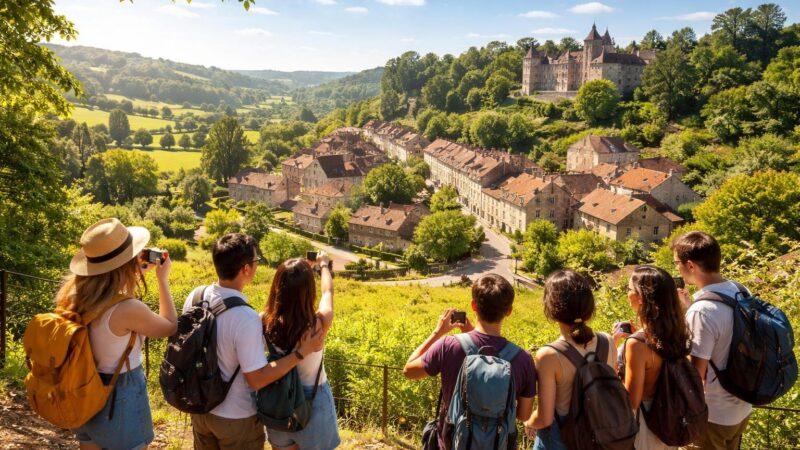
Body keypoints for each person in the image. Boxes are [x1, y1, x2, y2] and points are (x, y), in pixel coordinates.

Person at [184, 234, 324, 450]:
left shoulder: (196, 296)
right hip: (236, 417)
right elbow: (257, 379)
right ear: (246, 269)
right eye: (256, 260)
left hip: (200, 409)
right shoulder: (245, 317)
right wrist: (299, 354)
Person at [61, 218, 178, 450]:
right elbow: (170, 326)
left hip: (82, 386)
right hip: (120, 393)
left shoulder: (74, 297)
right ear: (125, 264)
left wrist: (128, 275)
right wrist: (162, 280)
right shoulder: (127, 309)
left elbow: (109, 307)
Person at [402, 273, 537, 449]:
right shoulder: (523, 359)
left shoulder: (448, 346)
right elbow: (524, 415)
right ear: (508, 311)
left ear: (473, 305)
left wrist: (438, 332)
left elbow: (409, 371)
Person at [672, 231, 752, 450]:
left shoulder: (702, 312)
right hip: (742, 407)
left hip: (713, 416)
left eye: (677, 263)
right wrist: (689, 308)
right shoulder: (740, 290)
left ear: (690, 265)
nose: (676, 269)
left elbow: (695, 376)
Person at [524, 269, 617, 450]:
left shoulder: (549, 355)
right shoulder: (608, 341)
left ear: (551, 308)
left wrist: (528, 421)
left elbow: (544, 418)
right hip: (601, 436)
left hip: (562, 440)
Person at [261, 253, 340, 450]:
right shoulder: (318, 324)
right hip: (313, 398)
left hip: (277, 399)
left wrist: (297, 272)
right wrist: (323, 266)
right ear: (309, 291)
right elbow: (328, 292)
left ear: (277, 287)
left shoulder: (263, 321)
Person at [617, 265, 692, 450]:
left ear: (640, 297)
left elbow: (632, 401)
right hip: (671, 421)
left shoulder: (637, 344)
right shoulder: (678, 330)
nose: (627, 293)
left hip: (647, 427)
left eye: (629, 289)